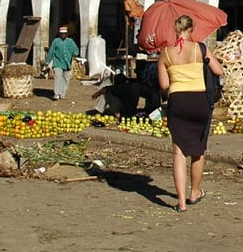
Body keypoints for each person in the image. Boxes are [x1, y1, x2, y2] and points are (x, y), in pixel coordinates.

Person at [158, 14, 223, 212]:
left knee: (178, 152)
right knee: (198, 149)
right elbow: (219, 71)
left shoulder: (166, 54)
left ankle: (181, 202)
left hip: (178, 102)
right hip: (200, 101)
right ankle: (194, 192)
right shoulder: (200, 48)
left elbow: (164, 85)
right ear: (191, 30)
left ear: (175, 30)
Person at [92, 73, 161, 118]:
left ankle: (101, 111)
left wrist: (96, 93)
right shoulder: (135, 84)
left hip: (130, 111)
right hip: (155, 104)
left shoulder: (122, 87)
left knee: (108, 93)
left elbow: (106, 89)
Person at [46, 25, 79, 101]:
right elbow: (51, 51)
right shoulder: (56, 41)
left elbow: (76, 50)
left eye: (64, 33)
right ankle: (57, 93)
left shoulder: (70, 41)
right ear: (59, 34)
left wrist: (75, 53)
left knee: (66, 79)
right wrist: (47, 61)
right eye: (61, 34)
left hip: (67, 63)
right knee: (58, 77)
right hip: (58, 62)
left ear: (67, 34)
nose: (63, 35)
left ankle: (62, 93)